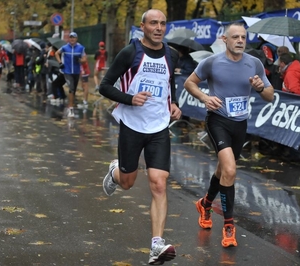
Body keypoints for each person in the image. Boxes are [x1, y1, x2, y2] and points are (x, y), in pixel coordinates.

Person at [99, 9, 181, 265]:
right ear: (143, 26)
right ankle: (115, 172)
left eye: (162, 23)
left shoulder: (172, 54)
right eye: (153, 23)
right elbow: (105, 86)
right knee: (127, 183)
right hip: (132, 125)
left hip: (158, 127)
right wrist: (130, 99)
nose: (159, 27)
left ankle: (156, 244)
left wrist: (174, 104)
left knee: (158, 183)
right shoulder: (130, 52)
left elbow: (170, 84)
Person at [183, 22, 274, 248]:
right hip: (217, 120)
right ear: (225, 40)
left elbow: (270, 96)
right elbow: (189, 83)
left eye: (243, 37)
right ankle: (229, 225)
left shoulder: (254, 63)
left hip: (240, 124)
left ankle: (205, 204)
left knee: (224, 169)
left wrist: (261, 87)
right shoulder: (212, 62)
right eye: (235, 37)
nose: (240, 41)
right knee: (231, 170)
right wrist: (205, 98)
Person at [55, 32, 86, 118]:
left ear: (76, 39)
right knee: (71, 88)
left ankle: (71, 104)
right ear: (69, 39)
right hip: (67, 71)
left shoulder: (81, 48)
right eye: (71, 38)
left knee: (74, 89)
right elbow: (56, 53)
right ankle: (71, 108)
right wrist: (60, 62)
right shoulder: (65, 47)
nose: (72, 39)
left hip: (76, 72)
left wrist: (79, 60)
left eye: (74, 38)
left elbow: (84, 59)